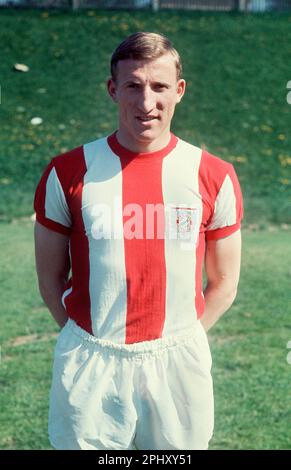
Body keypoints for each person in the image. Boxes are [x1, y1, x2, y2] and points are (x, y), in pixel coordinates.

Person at [34, 32, 243, 450]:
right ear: (113, 89)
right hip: (91, 359)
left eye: (160, 86)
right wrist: (93, 340)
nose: (147, 103)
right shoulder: (68, 171)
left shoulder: (213, 175)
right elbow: (51, 279)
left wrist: (181, 339)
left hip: (177, 362)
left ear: (179, 91)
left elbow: (224, 283)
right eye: (133, 86)